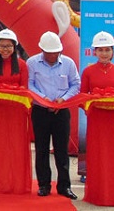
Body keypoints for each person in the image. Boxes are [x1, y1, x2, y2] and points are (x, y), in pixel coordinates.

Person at [80, 31, 114, 206]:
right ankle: (98, 194)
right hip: (97, 121)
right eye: (100, 50)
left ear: (113, 51)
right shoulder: (88, 72)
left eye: (107, 50)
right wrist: (94, 100)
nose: (104, 53)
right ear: (94, 52)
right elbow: (82, 97)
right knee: (98, 155)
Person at [27, 31, 80, 200]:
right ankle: (44, 185)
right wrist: (43, 99)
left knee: (61, 150)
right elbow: (29, 84)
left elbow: (76, 85)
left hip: (61, 112)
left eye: (55, 52)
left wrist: (62, 99)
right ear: (42, 50)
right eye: (48, 52)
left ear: (60, 51)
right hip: (40, 111)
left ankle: (64, 186)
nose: (52, 55)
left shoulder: (68, 63)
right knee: (41, 149)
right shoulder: (32, 63)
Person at [0, 29, 30, 194]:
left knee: (16, 146)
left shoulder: (22, 65)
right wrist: (4, 90)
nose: (5, 49)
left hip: (16, 111)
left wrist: (9, 90)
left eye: (9, 46)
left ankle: (17, 183)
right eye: (2, 46)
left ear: (15, 47)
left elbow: (25, 88)